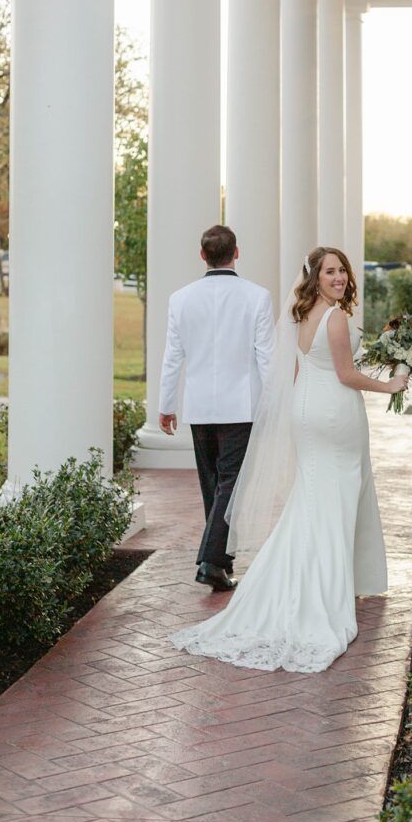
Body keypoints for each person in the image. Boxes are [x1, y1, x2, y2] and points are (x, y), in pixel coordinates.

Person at [168, 246, 408, 673]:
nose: (338, 278)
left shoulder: (304, 314)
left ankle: (312, 578)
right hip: (333, 412)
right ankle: (328, 589)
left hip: (307, 409)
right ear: (315, 277)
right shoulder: (334, 317)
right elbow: (346, 374)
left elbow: (301, 368)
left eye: (342, 271)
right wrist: (392, 385)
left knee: (313, 497)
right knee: (336, 495)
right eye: (330, 272)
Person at [158, 225, 275, 591]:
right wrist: (273, 404)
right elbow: (267, 358)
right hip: (240, 407)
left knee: (214, 483)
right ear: (236, 252)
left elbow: (172, 357)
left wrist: (166, 405)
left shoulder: (180, 298)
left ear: (202, 255)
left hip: (198, 408)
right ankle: (212, 561)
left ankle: (218, 563)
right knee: (228, 484)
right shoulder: (257, 297)